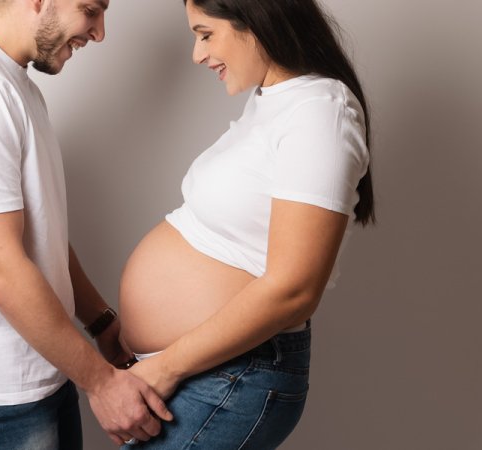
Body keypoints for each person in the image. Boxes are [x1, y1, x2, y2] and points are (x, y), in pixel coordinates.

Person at [0, 0, 172, 448]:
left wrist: (101, 323)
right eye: (91, 10)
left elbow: (42, 237)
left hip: (38, 367)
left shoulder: (10, 82)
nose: (99, 33)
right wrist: (102, 383)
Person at [118, 0, 375, 448]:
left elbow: (294, 289)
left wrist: (164, 366)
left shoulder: (320, 113)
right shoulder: (276, 100)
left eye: (205, 34)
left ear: (256, 20)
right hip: (206, 372)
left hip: (231, 375)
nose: (198, 55)